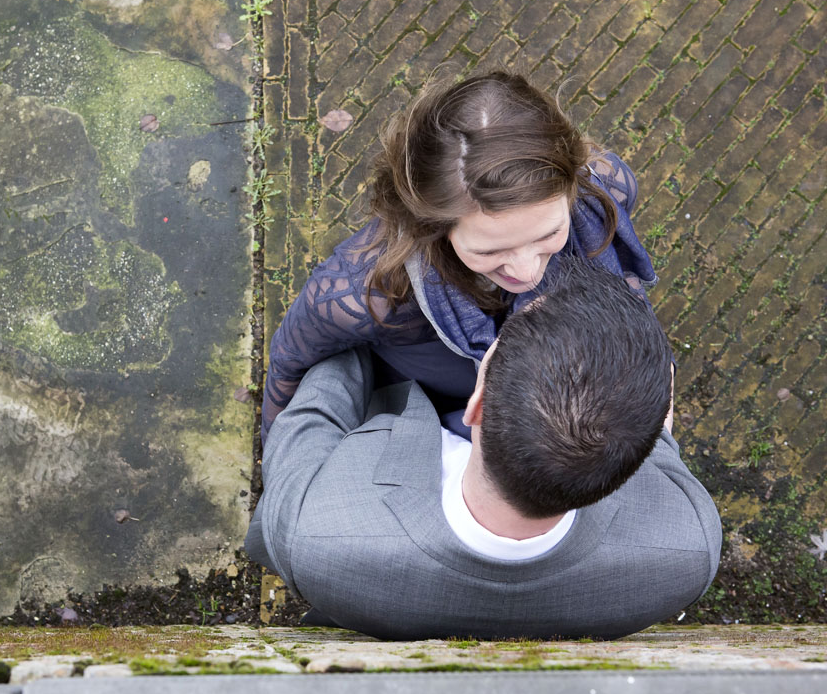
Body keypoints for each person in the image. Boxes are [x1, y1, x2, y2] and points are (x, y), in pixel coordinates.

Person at [245, 258, 720, 640]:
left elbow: (310, 418)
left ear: (476, 405)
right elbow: (659, 446)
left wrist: (360, 328)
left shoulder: (316, 533)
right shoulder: (688, 547)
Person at [263, 69, 658, 440]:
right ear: (432, 227)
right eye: (490, 250)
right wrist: (279, 464)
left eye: (549, 233)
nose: (527, 271)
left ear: (572, 187)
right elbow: (286, 364)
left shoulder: (609, 189)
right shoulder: (367, 292)